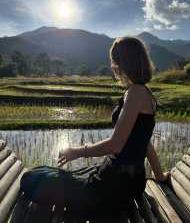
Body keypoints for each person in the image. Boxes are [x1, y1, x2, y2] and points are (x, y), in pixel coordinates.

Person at [20, 37, 169, 216]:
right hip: (128, 180)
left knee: (30, 180)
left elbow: (116, 144)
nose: (113, 66)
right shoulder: (144, 93)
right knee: (42, 172)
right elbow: (144, 142)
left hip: (115, 185)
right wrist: (159, 176)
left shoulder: (135, 93)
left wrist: (76, 152)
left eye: (114, 61)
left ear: (121, 63)